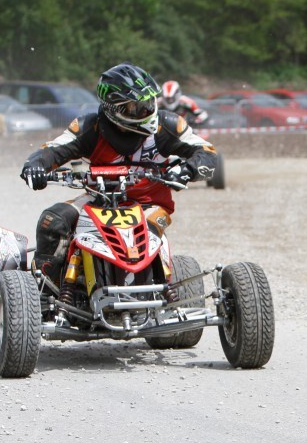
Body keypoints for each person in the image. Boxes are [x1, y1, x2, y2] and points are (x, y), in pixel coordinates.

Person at [20, 63, 217, 289]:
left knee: (143, 237)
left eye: (149, 102)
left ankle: (159, 293)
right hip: (97, 201)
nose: (146, 110)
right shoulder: (89, 127)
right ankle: (44, 294)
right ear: (115, 109)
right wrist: (35, 165)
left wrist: (187, 169)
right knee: (53, 222)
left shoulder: (168, 125)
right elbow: (53, 150)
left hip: (149, 205)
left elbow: (207, 152)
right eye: (136, 106)